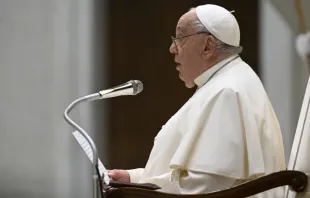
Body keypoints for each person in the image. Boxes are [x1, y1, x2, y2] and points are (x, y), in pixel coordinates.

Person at [108, 4, 286, 197]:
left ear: (207, 46)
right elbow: (195, 178)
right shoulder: (224, 82)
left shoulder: (227, 91)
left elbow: (206, 187)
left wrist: (134, 190)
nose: (172, 49)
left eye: (179, 39)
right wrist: (133, 179)